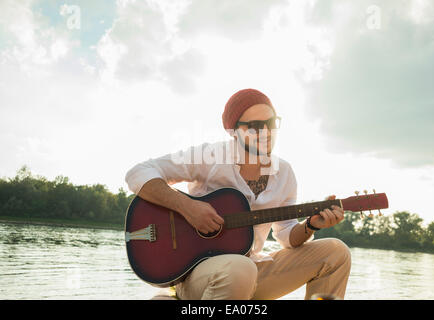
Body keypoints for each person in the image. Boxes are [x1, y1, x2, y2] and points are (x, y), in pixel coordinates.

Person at [125, 88, 351, 300]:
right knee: (240, 269)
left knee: (336, 252)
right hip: (200, 276)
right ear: (233, 131)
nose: (265, 132)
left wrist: (311, 225)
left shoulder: (285, 173)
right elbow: (138, 173)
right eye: (254, 125)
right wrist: (188, 207)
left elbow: (286, 235)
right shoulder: (210, 156)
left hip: (254, 269)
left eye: (271, 123)